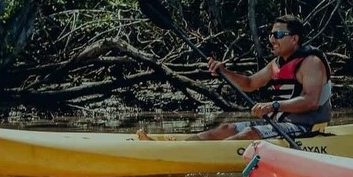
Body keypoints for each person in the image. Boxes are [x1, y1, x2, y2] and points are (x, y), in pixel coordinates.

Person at [138, 14, 333, 141]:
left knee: (249, 134)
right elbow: (249, 84)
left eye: (278, 34)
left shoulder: (311, 63)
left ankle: (189, 153)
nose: (272, 39)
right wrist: (225, 72)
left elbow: (311, 101)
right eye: (271, 34)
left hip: (306, 128)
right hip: (279, 124)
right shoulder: (277, 64)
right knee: (226, 127)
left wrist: (273, 106)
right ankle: (179, 147)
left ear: (295, 38)